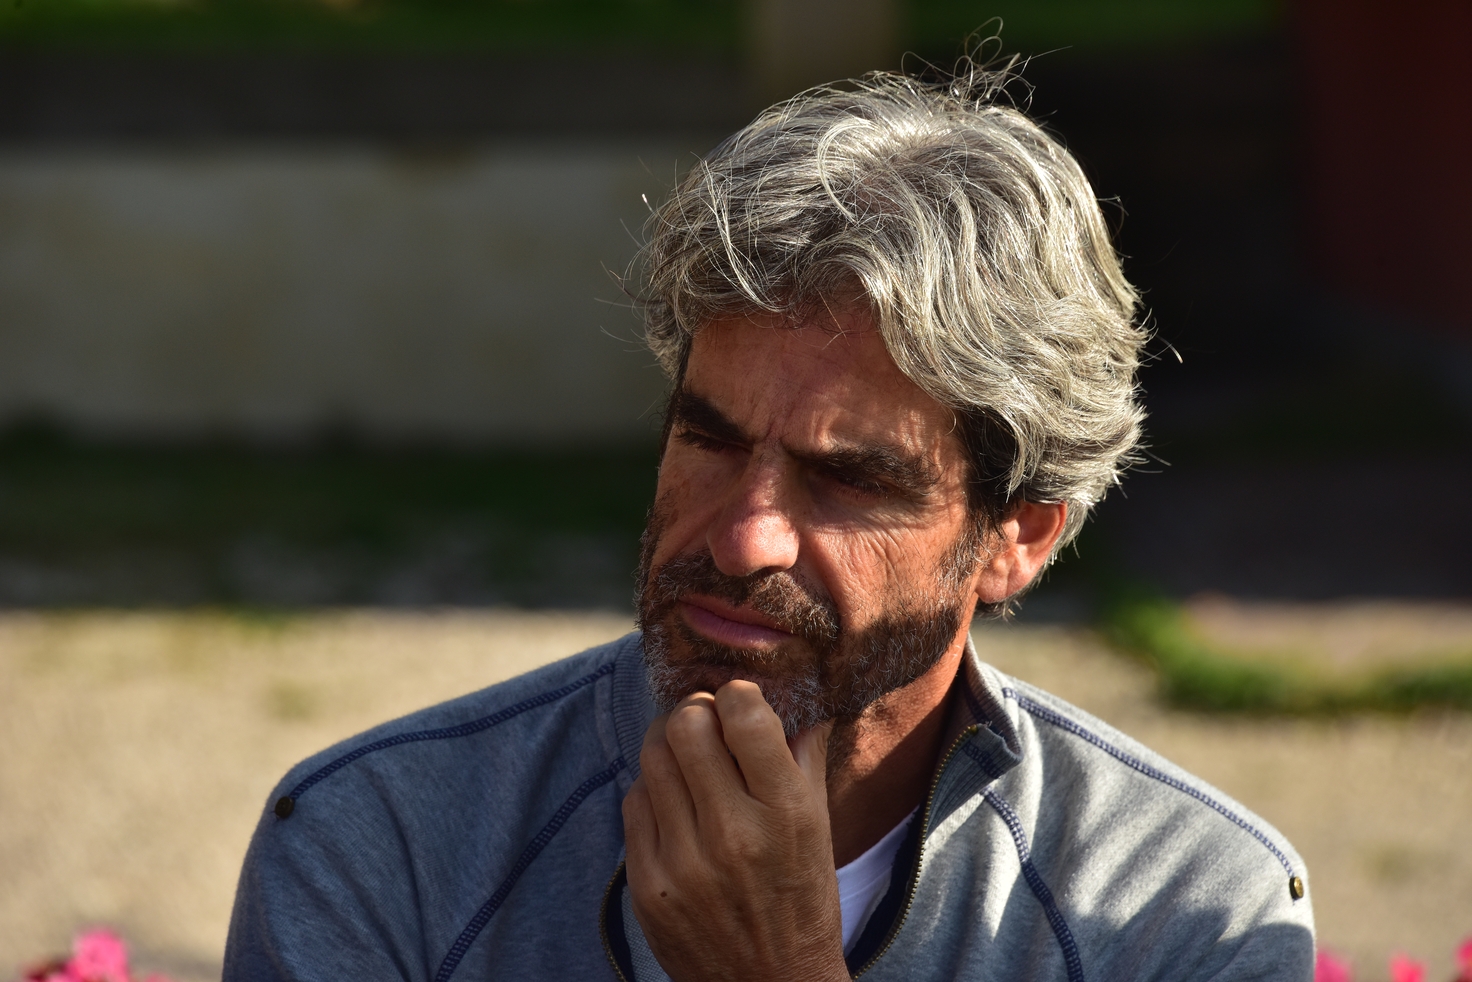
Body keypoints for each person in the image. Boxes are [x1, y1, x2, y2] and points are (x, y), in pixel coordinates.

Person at [224, 62, 1315, 981]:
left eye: (848, 479)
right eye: (709, 439)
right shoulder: (384, 848)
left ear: (1018, 535)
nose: (744, 537)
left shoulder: (1185, 918)